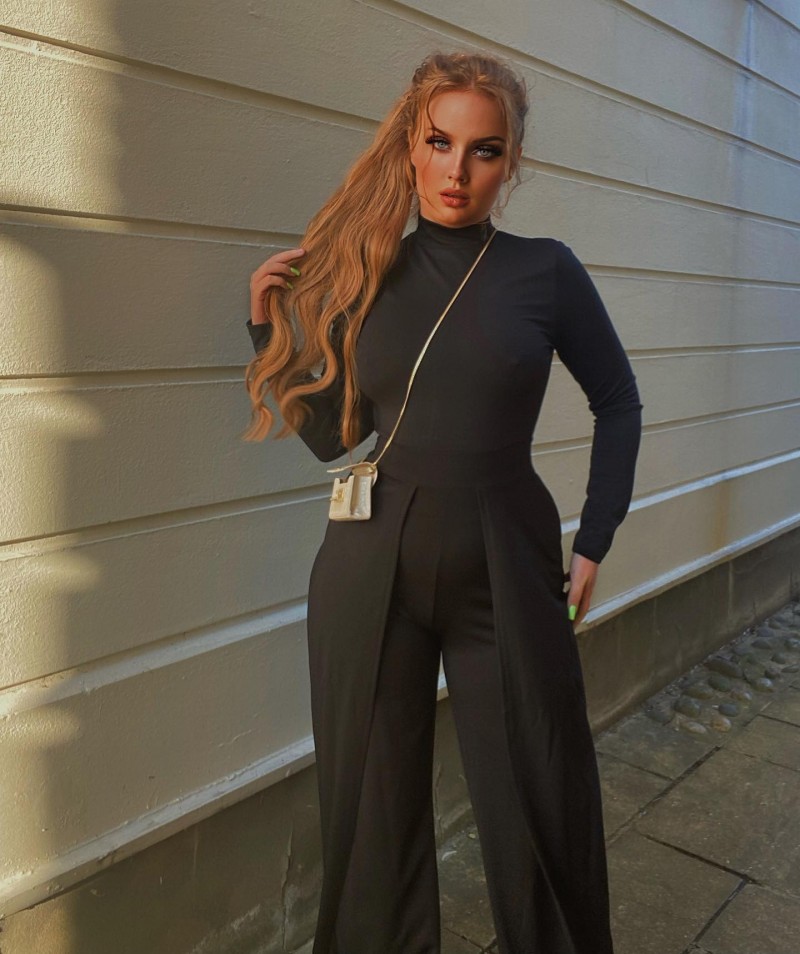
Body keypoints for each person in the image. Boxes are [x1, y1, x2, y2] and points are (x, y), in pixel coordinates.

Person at [244, 51, 642, 954]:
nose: (457, 170)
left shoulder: (544, 272)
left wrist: (596, 537)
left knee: (538, 795)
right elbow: (333, 438)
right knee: (371, 814)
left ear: (511, 162)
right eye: (439, 143)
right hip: (369, 566)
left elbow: (618, 399)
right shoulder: (370, 269)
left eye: (484, 150)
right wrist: (267, 330)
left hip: (505, 563)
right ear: (411, 147)